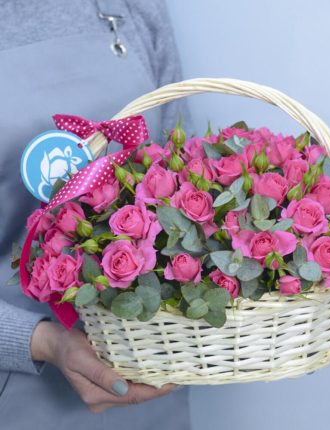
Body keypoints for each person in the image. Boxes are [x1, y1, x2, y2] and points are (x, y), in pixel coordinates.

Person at [0, 0, 192, 428]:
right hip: (22, 387)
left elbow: (183, 169)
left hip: (155, 375)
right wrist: (44, 341)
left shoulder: (128, 6)